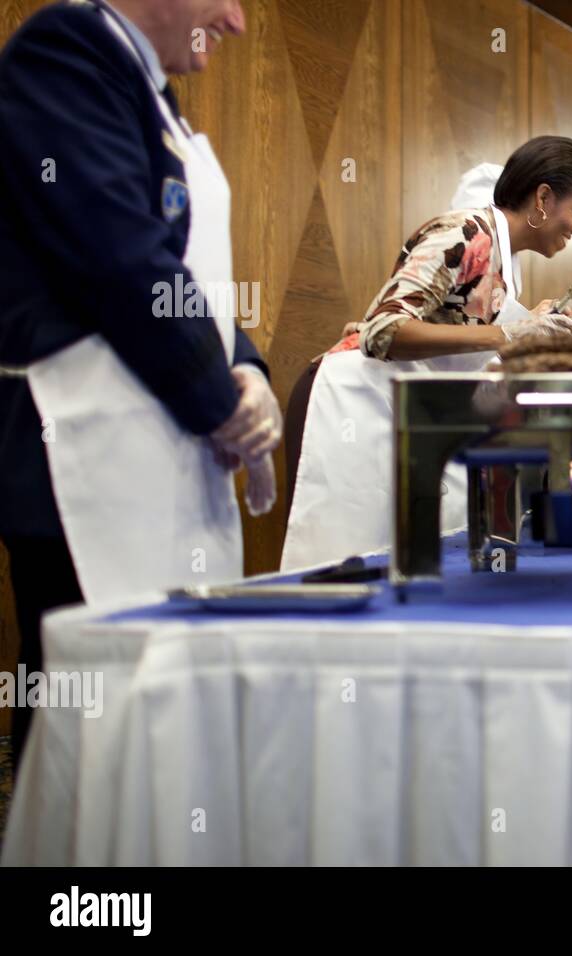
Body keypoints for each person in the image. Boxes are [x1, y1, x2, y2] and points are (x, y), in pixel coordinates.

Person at [0, 0, 278, 768]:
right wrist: (222, 406)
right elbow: (119, 258)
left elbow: (189, 276)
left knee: (155, 719)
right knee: (79, 733)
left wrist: (248, 372)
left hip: (164, 452)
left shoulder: (153, 91)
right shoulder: (66, 50)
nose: (237, 21)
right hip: (83, 451)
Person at [280, 137, 572, 570]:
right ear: (543, 198)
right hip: (352, 402)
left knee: (400, 561)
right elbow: (383, 330)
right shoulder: (465, 233)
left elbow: (464, 334)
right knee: (344, 561)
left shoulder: (505, 264)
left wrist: (530, 331)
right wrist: (509, 333)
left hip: (399, 410)